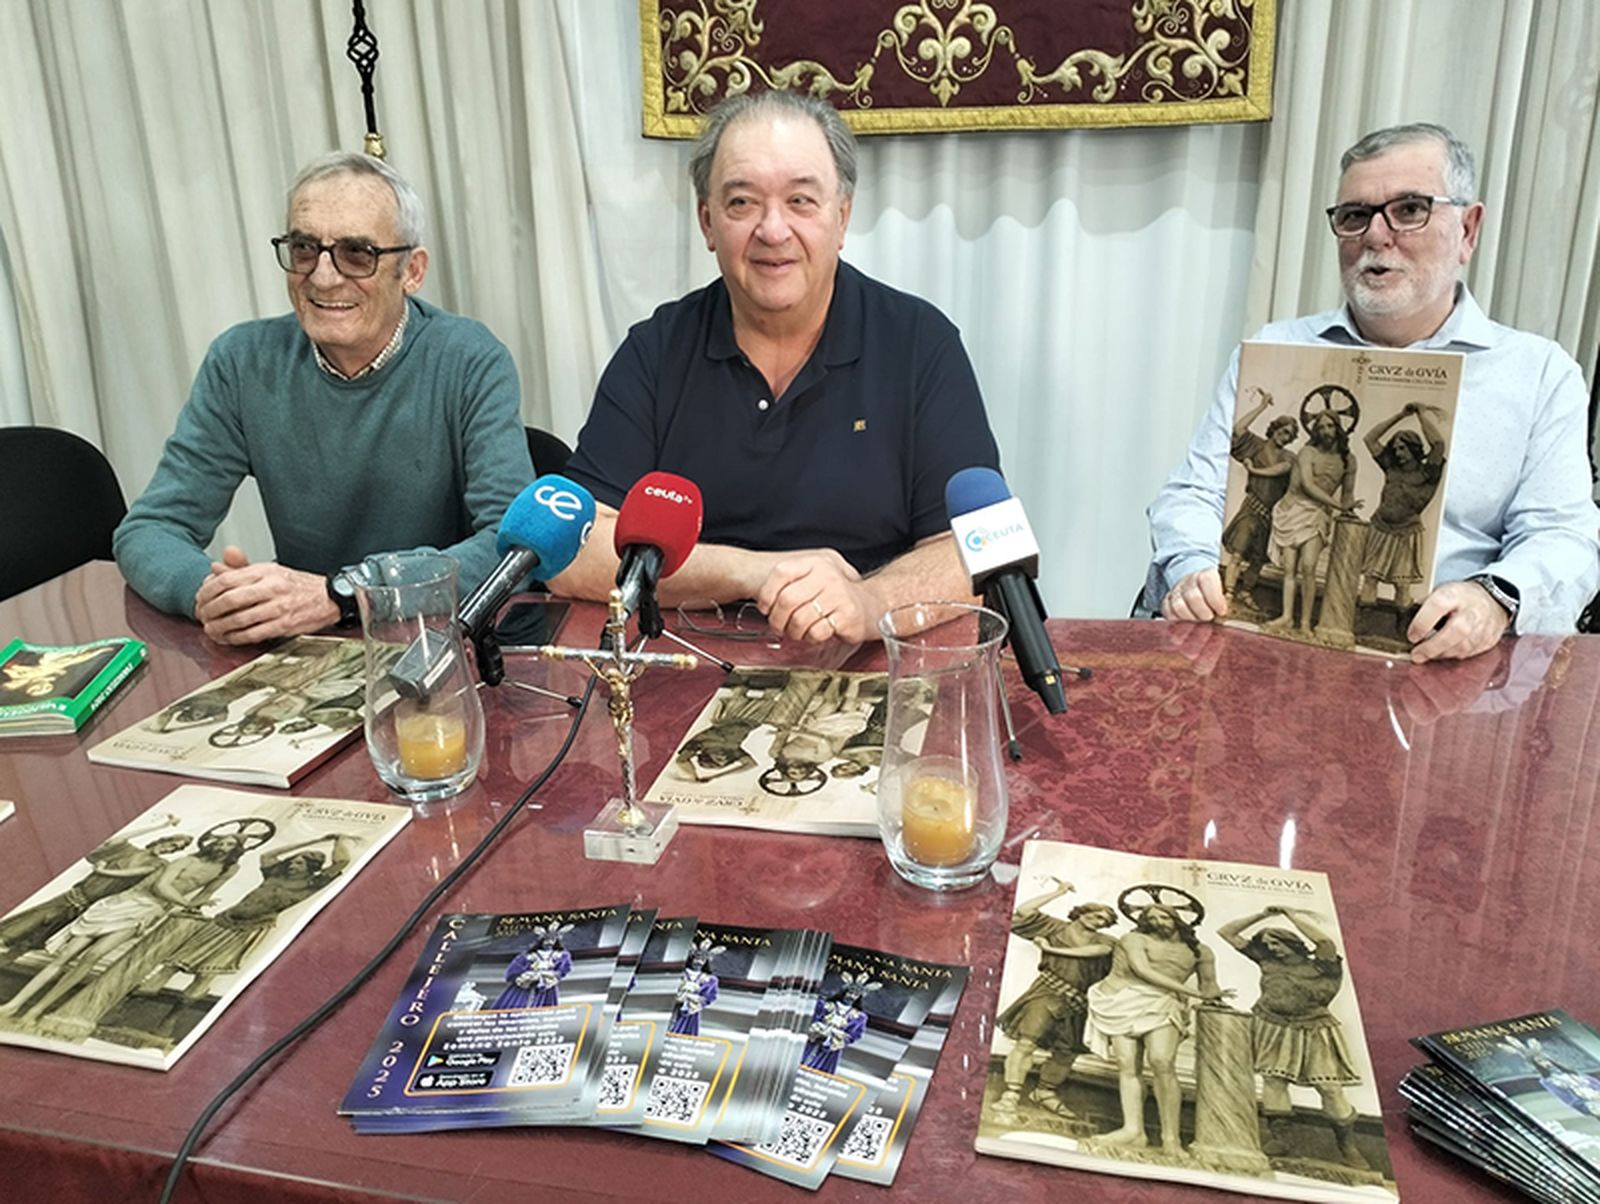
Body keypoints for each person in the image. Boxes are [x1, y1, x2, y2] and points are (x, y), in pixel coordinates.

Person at [551, 90, 1000, 644]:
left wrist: (869, 601)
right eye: (742, 203)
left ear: (841, 217)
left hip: (874, 657)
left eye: (801, 202)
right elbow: (572, 549)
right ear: (707, 222)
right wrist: (753, 573)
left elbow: (973, 553)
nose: (773, 230)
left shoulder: (919, 343)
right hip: (692, 660)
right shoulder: (656, 351)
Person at [1147, 122, 1599, 661]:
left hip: (1448, 670)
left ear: (1469, 230)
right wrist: (1192, 565)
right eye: (1355, 216)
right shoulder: (1273, 348)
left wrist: (1492, 598)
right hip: (1262, 654)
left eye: (1410, 210)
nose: (1377, 237)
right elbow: (1193, 493)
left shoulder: (1540, 373)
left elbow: (1564, 535)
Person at [114, 151, 533, 646]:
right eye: (304, 249)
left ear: (412, 271)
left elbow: (514, 551)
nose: (324, 276)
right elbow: (149, 529)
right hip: (304, 652)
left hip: (434, 645)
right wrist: (212, 594)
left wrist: (345, 593)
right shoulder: (241, 361)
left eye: (358, 254)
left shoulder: (469, 358)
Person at [1217, 906, 1367, 1168]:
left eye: (1278, 943)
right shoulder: (1268, 962)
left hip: (1314, 1029)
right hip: (1273, 1025)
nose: (1273, 949)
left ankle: (1347, 1146)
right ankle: (1281, 1141)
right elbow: (1227, 932)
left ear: (1294, 943)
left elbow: (1324, 941)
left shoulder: (1324, 964)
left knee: (1330, 1088)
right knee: (1274, 1081)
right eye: (1268, 944)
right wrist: (1261, 915)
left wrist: (1289, 915)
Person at [1083, 900, 1230, 1152]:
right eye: (1151, 918)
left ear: (1177, 919)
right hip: (1123, 1000)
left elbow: (1208, 985)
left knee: (1162, 1061)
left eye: (1164, 917)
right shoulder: (1134, 940)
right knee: (1127, 1064)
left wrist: (1215, 997)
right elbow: (1142, 970)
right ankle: (1133, 1131)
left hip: (1163, 1003)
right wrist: (1189, 992)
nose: (1157, 923)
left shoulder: (1200, 951)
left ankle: (1171, 1139)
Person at [993, 878, 1117, 1118]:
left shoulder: (1106, 941)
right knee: (1027, 1042)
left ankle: (1045, 1092)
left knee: (1066, 1052)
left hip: (1079, 1001)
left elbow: (1098, 952)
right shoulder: (1054, 927)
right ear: (1081, 913)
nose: (1099, 921)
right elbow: (1023, 912)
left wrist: (1049, 950)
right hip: (1047, 992)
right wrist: (1058, 892)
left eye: (1104, 920)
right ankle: (1011, 1094)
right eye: (1095, 915)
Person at [0, 817, 190, 956]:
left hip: (88, 910)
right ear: (163, 840)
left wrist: (103, 871)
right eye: (170, 843)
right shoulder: (127, 850)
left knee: (32, 942)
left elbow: (132, 874)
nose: (170, 848)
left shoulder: (160, 865)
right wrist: (160, 825)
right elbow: (113, 841)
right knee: (17, 930)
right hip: (71, 897)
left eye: (176, 848)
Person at [1262, 410, 1359, 634]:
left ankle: (1305, 622)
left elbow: (1347, 495)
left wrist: (1348, 509)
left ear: (1339, 429)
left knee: (1308, 566)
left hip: (1317, 515)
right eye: (1322, 427)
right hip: (1293, 510)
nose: (1326, 431)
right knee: (1289, 569)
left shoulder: (1348, 460)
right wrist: (1339, 506)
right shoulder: (1307, 452)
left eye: (1331, 426)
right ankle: (1287, 617)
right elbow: (1307, 484)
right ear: (1315, 431)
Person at [1359, 402, 1448, 612]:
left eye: (1403, 448)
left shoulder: (1428, 472)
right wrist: (1400, 415)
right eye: (1396, 448)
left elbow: (1438, 445)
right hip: (1380, 527)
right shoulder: (1391, 467)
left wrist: (1421, 414)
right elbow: (1369, 439)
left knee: (1402, 584)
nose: (1398, 453)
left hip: (1407, 532)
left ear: (1414, 448)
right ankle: (1364, 621)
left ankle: (1400, 627)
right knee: (1370, 578)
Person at [1219, 388, 1299, 610]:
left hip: (1270, 514)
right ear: (1274, 430)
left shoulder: (1289, 457)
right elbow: (1238, 429)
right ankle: (1229, 593)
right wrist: (1262, 406)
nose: (1285, 437)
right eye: (1283, 432)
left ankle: (1246, 592)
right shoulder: (1256, 445)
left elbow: (1281, 470)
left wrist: (1253, 470)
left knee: (1257, 559)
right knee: (1238, 552)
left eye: (1289, 435)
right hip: (1251, 508)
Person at [802, 972, 880, 1074]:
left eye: (855, 994)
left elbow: (854, 1035)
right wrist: (817, 1029)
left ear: (859, 997)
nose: (851, 996)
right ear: (844, 992)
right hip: (812, 1040)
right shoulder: (825, 1005)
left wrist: (835, 1037)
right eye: (850, 992)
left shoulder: (859, 1017)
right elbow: (812, 1018)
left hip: (830, 1050)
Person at [493, 925, 574, 1010]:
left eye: (553, 940)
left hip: (546, 988)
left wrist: (549, 975)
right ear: (541, 941)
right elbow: (513, 970)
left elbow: (563, 970)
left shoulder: (560, 956)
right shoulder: (528, 956)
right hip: (524, 987)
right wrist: (525, 976)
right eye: (547, 940)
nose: (549, 942)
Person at [668, 940, 723, 1036]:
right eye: (697, 958)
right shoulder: (680, 973)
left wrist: (695, 999)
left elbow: (710, 997)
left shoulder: (710, 979)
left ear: (706, 962)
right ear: (691, 958)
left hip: (692, 1010)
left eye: (702, 960)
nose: (699, 962)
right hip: (674, 1007)